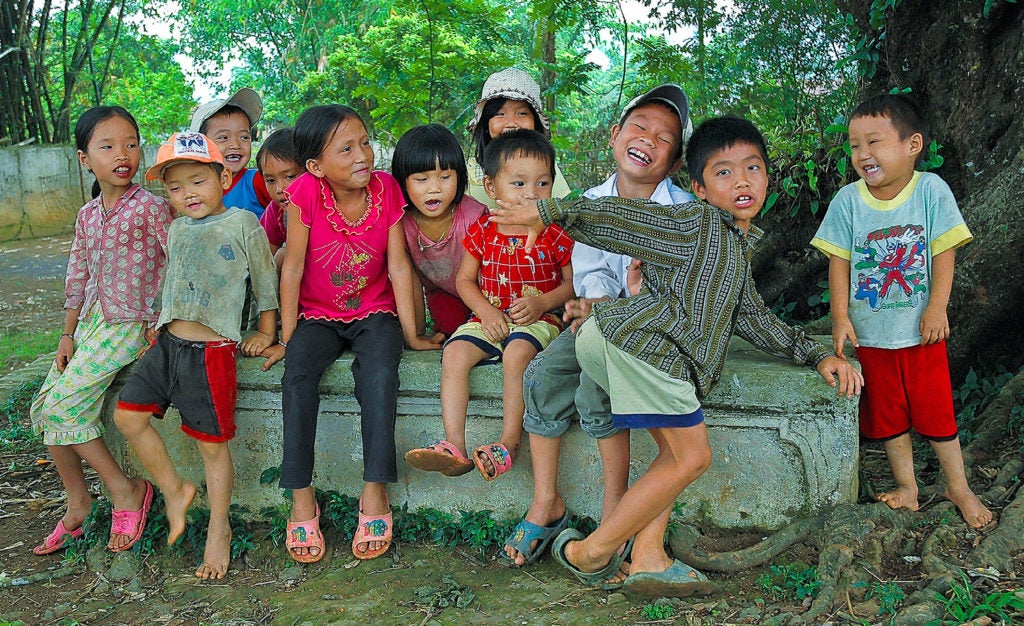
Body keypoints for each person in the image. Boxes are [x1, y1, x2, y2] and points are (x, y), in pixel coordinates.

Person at [489, 116, 863, 598]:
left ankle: (648, 556)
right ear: (699, 189)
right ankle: (590, 552)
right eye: (724, 172)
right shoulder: (697, 222)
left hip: (627, 345)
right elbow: (630, 221)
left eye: (753, 168)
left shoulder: (734, 247)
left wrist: (814, 355)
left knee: (674, 455)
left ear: (768, 179)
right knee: (693, 455)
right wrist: (555, 211)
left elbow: (752, 316)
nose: (743, 180)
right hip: (640, 344)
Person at [504, 85, 694, 579]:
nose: (648, 140)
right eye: (639, 127)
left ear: (674, 163)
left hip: (645, 331)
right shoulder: (587, 202)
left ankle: (615, 511)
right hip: (595, 321)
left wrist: (618, 300)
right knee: (543, 377)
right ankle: (546, 502)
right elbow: (589, 274)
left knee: (594, 393)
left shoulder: (680, 213)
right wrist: (592, 302)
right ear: (615, 135)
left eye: (664, 138)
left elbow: (673, 292)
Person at [810, 94, 993, 529]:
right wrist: (840, 317)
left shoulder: (930, 190)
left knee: (936, 412)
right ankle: (907, 487)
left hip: (921, 333)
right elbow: (840, 261)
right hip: (871, 336)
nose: (863, 154)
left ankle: (958, 486)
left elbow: (944, 250)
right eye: (855, 145)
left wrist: (936, 307)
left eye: (874, 142)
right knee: (889, 416)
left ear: (912, 145)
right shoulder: (848, 202)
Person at [275, 105, 443, 564]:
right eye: (345, 149)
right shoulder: (304, 192)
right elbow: (292, 267)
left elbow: (396, 265)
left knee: (380, 373)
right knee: (298, 375)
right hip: (318, 316)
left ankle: (374, 492)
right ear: (316, 166)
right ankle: (301, 497)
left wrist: (413, 334)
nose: (362, 156)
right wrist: (289, 338)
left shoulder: (386, 188)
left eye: (365, 143)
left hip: (375, 312)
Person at [113, 131, 280, 580]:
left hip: (210, 352)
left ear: (223, 177)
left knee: (212, 447)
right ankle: (174, 488)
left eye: (197, 181)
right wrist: (159, 320)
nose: (187, 194)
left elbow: (266, 282)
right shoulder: (177, 227)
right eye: (175, 187)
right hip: (167, 343)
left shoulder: (244, 223)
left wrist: (266, 332)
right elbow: (174, 278)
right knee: (128, 416)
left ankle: (218, 529)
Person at [29, 106, 172, 557]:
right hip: (93, 323)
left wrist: (161, 324)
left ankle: (126, 490)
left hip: (132, 324)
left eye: (130, 143)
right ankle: (79, 501)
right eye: (107, 146)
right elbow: (78, 273)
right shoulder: (88, 215)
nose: (122, 154)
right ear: (84, 158)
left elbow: (176, 263)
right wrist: (66, 334)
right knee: (43, 407)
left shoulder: (151, 208)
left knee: (63, 406)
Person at [405, 129, 574, 481]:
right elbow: (464, 280)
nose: (531, 194)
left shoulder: (555, 232)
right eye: (518, 184)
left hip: (538, 320)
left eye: (543, 184)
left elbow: (573, 283)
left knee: (515, 355)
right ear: (492, 186)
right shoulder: (483, 228)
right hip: (488, 315)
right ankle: (454, 444)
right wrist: (485, 311)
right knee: (454, 353)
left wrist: (543, 301)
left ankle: (508, 443)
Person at [392, 124, 487, 337]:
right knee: (450, 328)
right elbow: (408, 277)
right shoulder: (401, 223)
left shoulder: (474, 216)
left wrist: (489, 311)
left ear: (459, 176)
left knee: (485, 328)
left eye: (445, 177)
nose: (434, 188)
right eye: (422, 179)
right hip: (443, 293)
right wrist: (414, 333)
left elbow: (489, 274)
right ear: (403, 181)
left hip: (484, 290)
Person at [465, 68, 572, 208]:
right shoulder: (469, 174)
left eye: (522, 113)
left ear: (535, 122)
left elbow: (561, 209)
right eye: (499, 114)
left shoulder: (544, 167)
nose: (511, 123)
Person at [190, 87, 271, 218]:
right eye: (223, 138)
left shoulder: (258, 181)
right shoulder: (194, 191)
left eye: (244, 137)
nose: (235, 145)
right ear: (200, 145)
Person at [256, 128, 303, 269]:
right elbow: (264, 258)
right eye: (270, 180)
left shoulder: (329, 205)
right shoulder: (276, 211)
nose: (279, 189)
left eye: (289, 177)